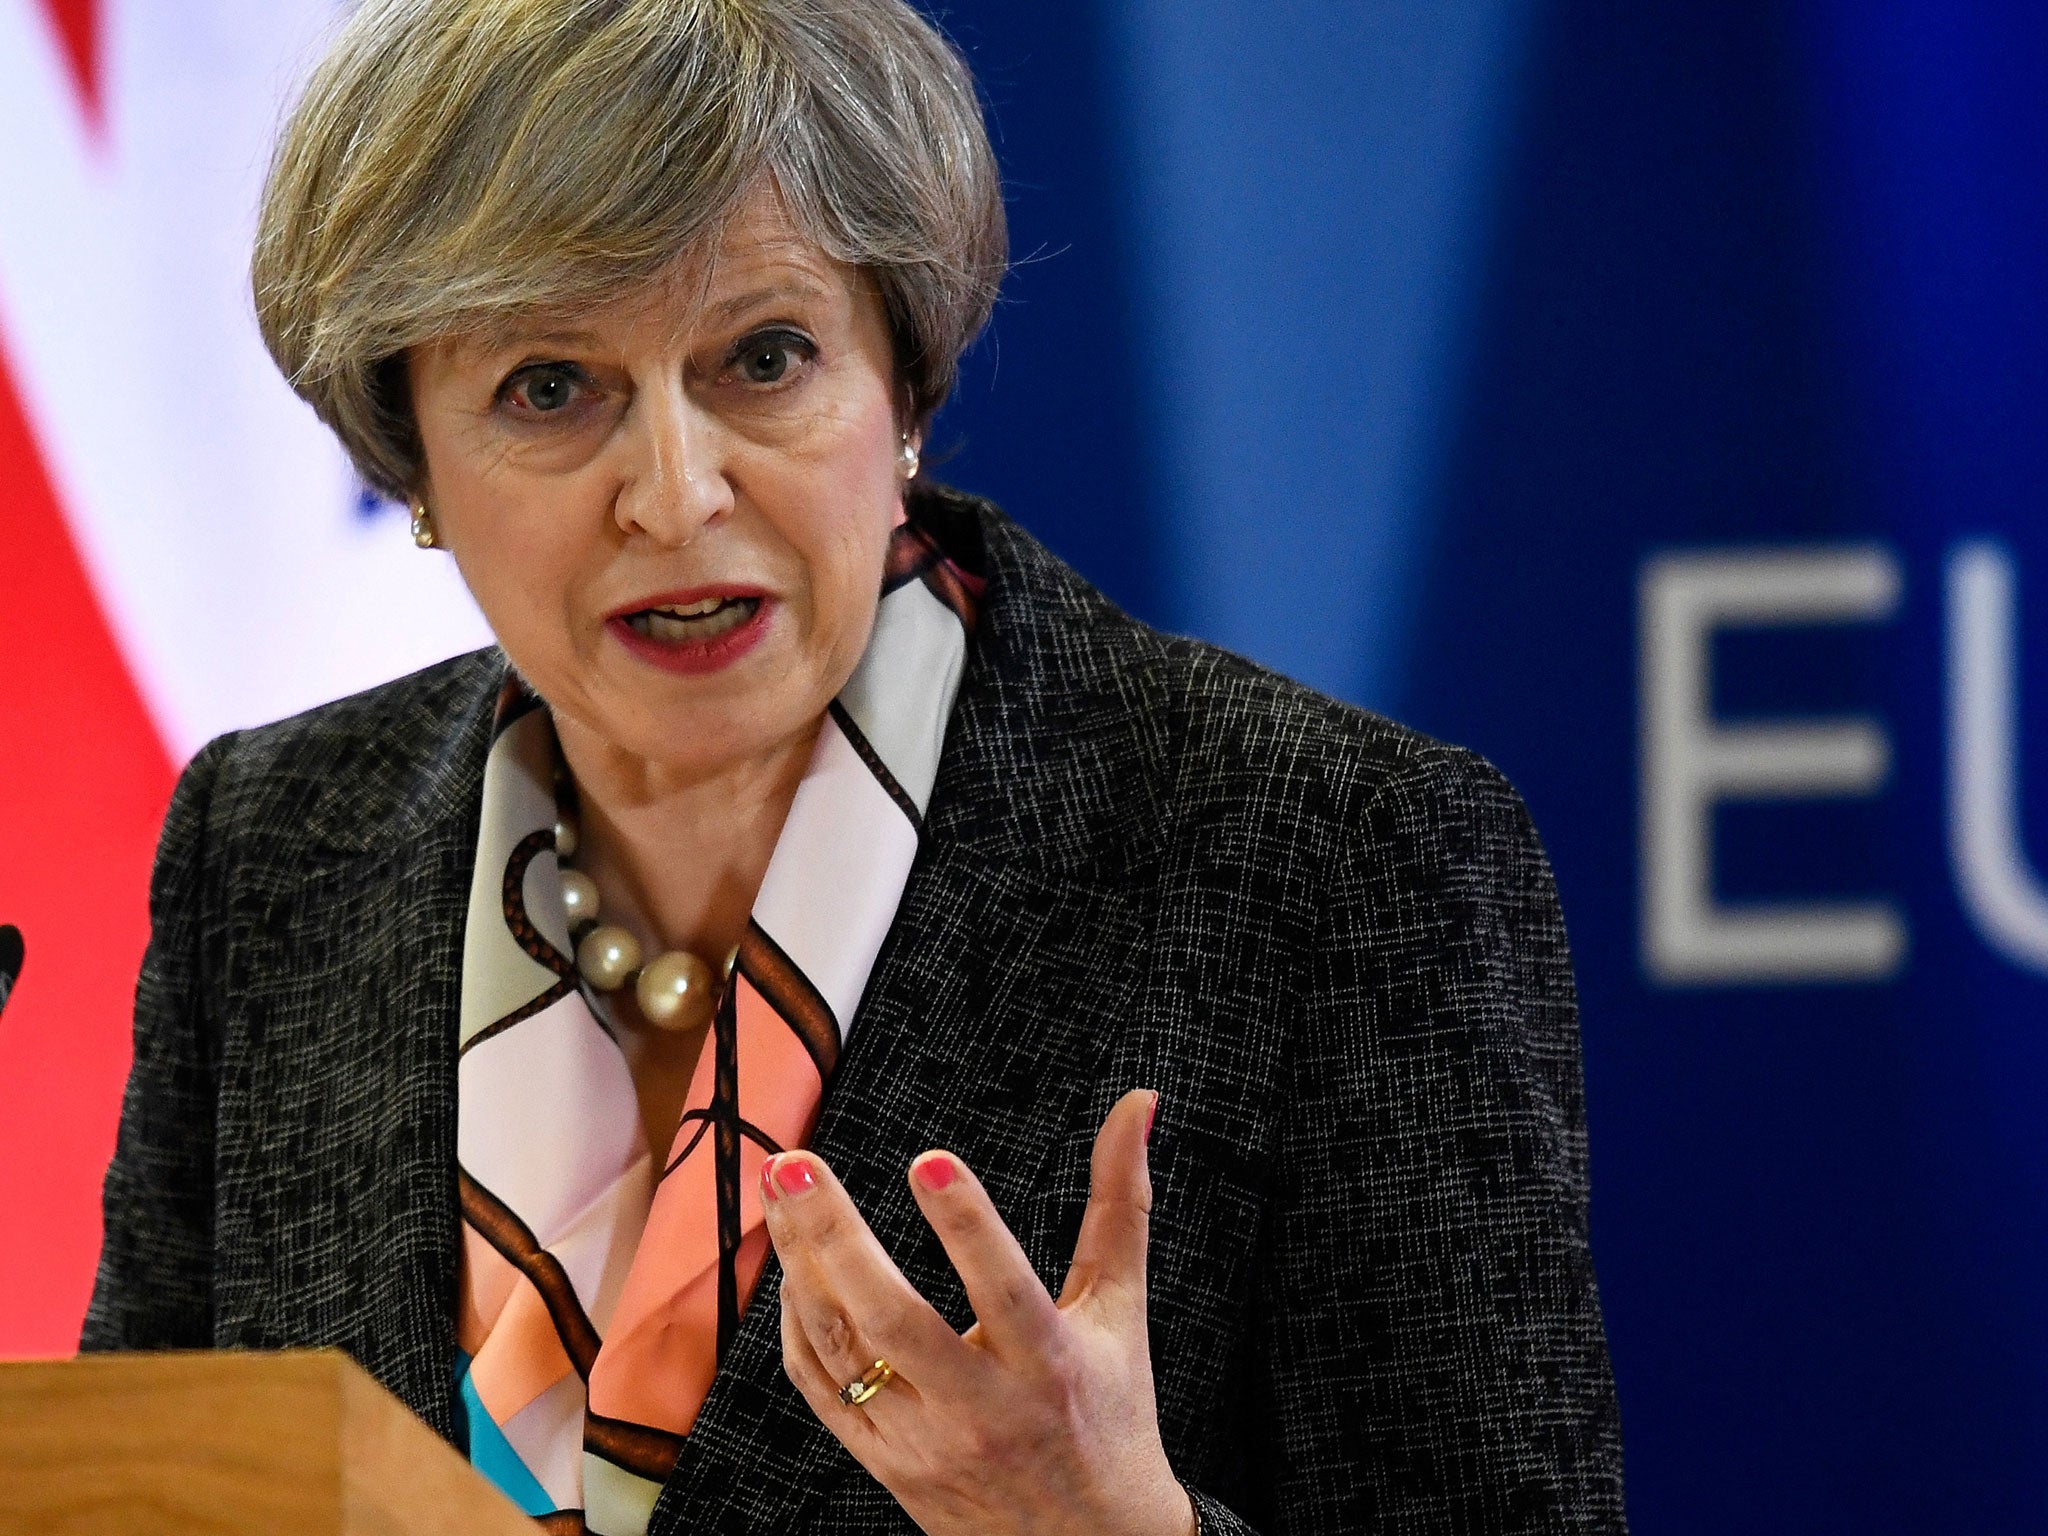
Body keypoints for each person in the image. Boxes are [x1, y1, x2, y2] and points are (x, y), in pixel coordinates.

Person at [81, 1, 1627, 1532]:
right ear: (407, 453)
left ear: (902, 382)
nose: (676, 498)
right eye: (550, 388)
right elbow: (137, 1500)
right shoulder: (273, 845)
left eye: (763, 357)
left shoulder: (1324, 858)